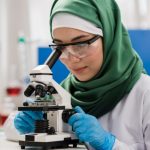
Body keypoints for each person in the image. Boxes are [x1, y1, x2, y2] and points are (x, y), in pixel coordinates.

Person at [7, 0, 150, 149]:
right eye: (60, 47)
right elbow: (8, 127)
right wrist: (25, 126)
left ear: (108, 37)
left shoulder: (145, 94)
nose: (71, 58)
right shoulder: (62, 93)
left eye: (81, 44)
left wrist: (111, 145)